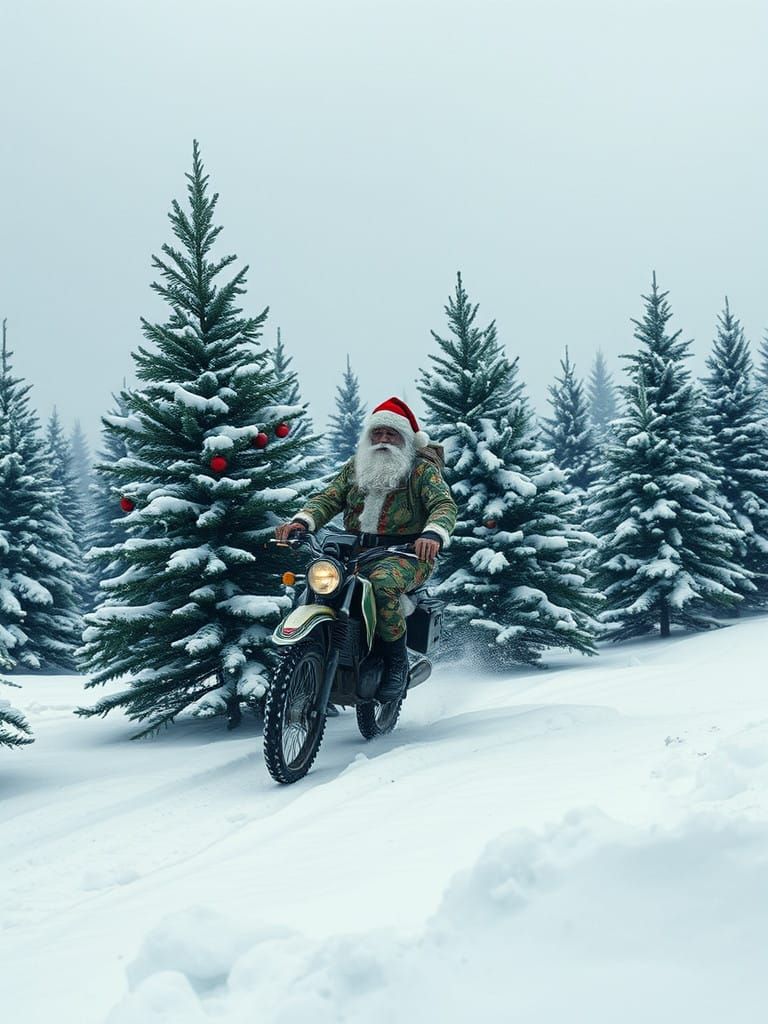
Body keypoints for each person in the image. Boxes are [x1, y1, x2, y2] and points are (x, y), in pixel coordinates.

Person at [275, 397, 457, 702]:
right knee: (316, 580)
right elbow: (328, 498)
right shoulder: (356, 467)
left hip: (407, 553)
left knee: (382, 586)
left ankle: (397, 663)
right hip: (354, 551)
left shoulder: (421, 470)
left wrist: (432, 534)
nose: (383, 440)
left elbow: (443, 505)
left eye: (391, 434)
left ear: (405, 439)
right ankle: (311, 656)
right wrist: (302, 522)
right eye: (378, 433)